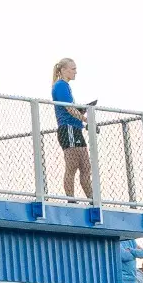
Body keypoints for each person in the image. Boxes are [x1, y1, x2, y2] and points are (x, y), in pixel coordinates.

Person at [51, 56, 92, 198]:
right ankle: (71, 199)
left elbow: (70, 108)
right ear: (63, 70)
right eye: (73, 69)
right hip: (68, 128)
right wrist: (85, 119)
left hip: (75, 128)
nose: (75, 72)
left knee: (85, 166)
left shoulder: (66, 86)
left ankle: (92, 198)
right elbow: (69, 108)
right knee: (72, 166)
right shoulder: (60, 85)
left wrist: (80, 113)